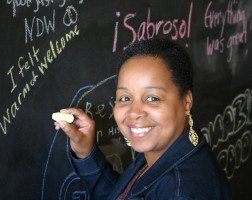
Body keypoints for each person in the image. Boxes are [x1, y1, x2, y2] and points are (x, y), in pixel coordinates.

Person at [54, 38, 231, 199]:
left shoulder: (180, 191)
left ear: (186, 101)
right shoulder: (164, 152)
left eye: (152, 98)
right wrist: (86, 153)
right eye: (125, 98)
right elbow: (121, 195)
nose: (134, 112)